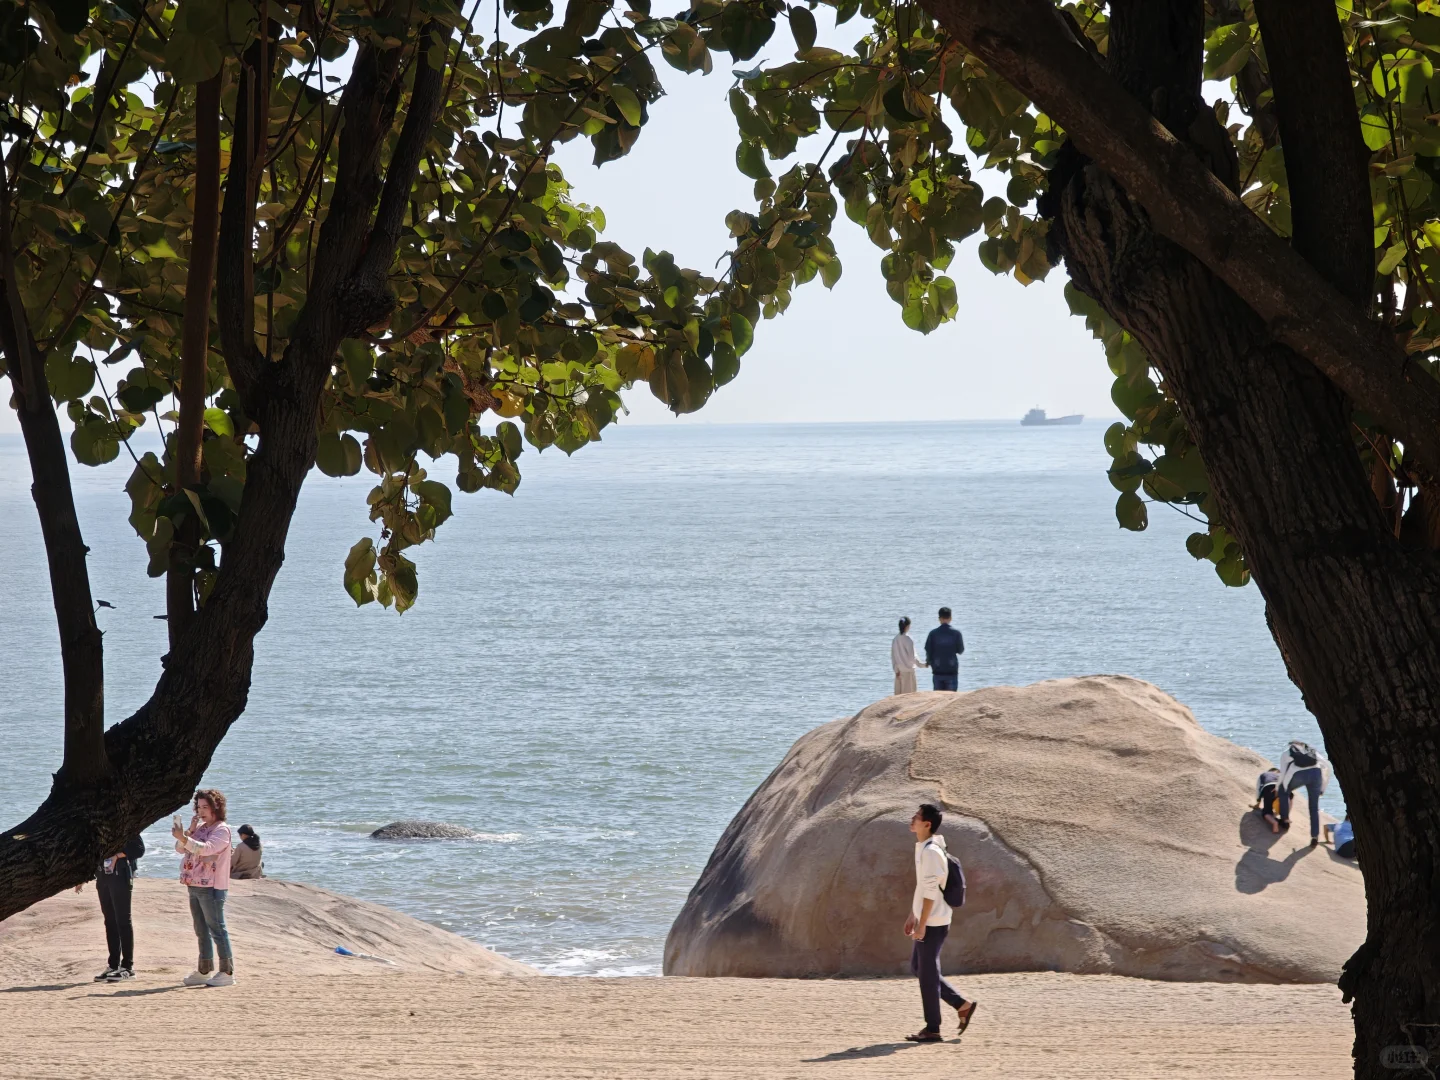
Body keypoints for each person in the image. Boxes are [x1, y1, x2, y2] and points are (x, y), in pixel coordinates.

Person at [903, 803, 976, 1043]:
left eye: (916, 817)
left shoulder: (931, 852)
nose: (912, 819)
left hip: (933, 921)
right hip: (929, 918)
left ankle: (933, 1028)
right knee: (920, 968)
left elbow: (931, 892)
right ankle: (961, 1005)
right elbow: (923, 887)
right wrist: (913, 916)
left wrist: (922, 923)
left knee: (926, 972)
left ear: (927, 824)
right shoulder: (924, 848)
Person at [172, 788, 235, 987]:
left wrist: (184, 838)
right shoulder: (200, 828)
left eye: (205, 807)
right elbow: (180, 849)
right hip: (194, 884)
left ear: (217, 807)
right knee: (201, 929)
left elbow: (206, 849)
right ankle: (204, 969)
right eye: (198, 807)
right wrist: (188, 832)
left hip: (212, 887)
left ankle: (227, 972)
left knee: (216, 928)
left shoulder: (221, 830)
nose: (201, 811)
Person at [75, 833, 146, 982]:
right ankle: (113, 966)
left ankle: (127, 967)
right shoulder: (99, 825)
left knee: (123, 921)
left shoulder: (127, 823)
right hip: (103, 876)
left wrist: (117, 856)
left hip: (121, 874)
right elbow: (92, 853)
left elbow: (139, 849)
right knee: (110, 922)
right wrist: (83, 877)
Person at [1277, 740, 1332, 846]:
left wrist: (1279, 786)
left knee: (1283, 792)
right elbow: (1327, 766)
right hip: (1316, 774)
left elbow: (1283, 773)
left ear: (1291, 745)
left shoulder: (1286, 753)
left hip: (1298, 774)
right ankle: (1314, 836)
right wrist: (1322, 789)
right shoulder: (1312, 751)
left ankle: (1285, 820)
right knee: (1314, 808)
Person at [923, 607, 965, 692]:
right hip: (951, 670)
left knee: (938, 699)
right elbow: (960, 650)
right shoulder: (956, 633)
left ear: (939, 619)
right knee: (951, 698)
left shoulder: (933, 634)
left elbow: (928, 650)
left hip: (937, 671)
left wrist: (928, 662)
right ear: (950, 618)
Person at [891, 617, 926, 695]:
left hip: (899, 673)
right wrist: (923, 665)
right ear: (907, 626)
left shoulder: (895, 639)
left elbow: (893, 657)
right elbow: (912, 657)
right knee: (909, 698)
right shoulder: (908, 639)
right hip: (908, 672)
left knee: (898, 697)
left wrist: (896, 670)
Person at [1254, 769, 1283, 833]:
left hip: (1269, 787)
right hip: (1281, 789)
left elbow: (1258, 790)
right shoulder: (1280, 775)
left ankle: (1274, 823)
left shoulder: (1263, 775)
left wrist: (1258, 801)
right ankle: (1283, 818)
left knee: (1266, 812)